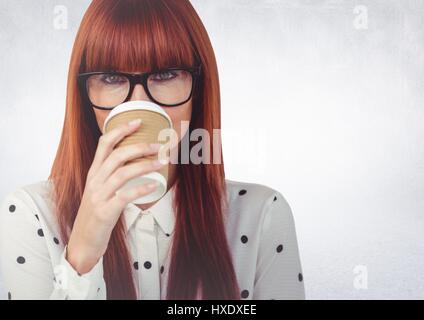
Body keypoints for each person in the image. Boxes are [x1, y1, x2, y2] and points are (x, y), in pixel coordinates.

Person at [0, 0, 305, 300]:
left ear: (198, 88)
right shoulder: (31, 216)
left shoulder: (262, 215)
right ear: (85, 95)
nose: (139, 105)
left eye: (164, 75)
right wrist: (82, 257)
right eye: (111, 78)